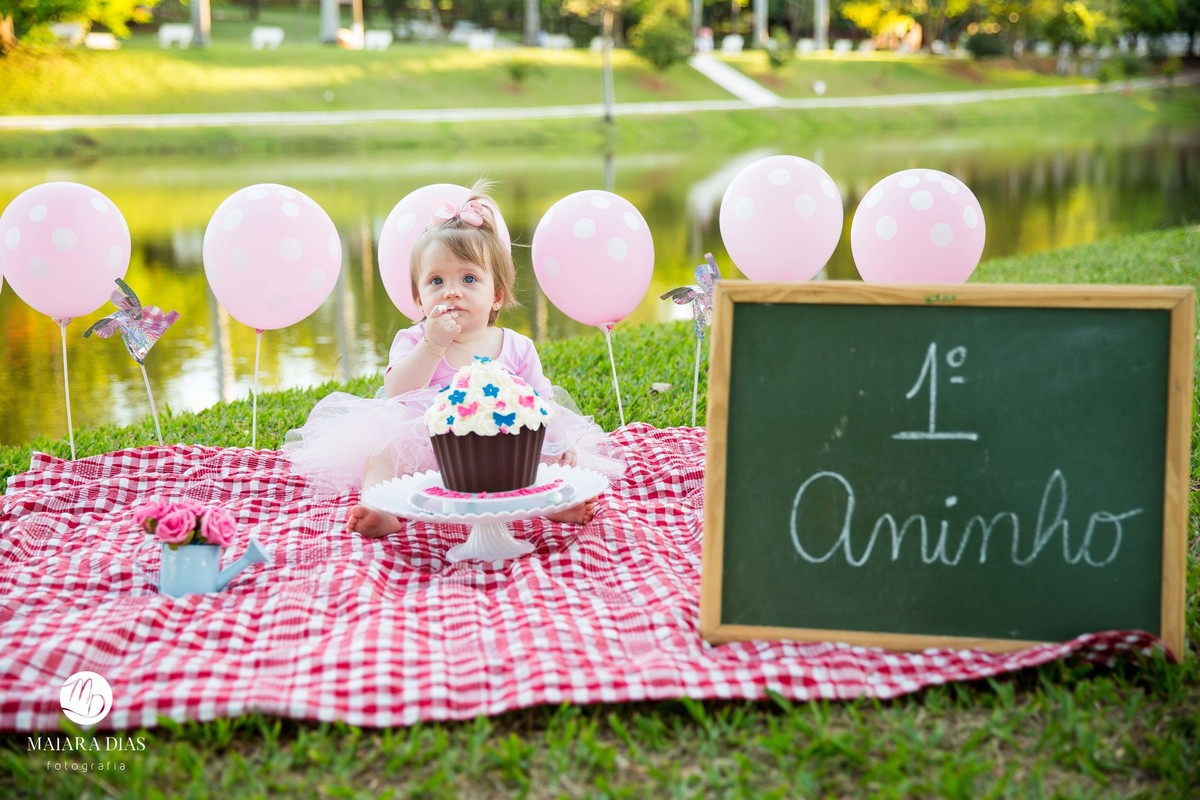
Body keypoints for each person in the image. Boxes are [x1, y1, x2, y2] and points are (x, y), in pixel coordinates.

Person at [283, 182, 624, 538]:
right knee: (382, 455)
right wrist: (433, 344)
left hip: (503, 444)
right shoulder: (415, 339)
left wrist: (559, 443)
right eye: (436, 281)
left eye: (469, 278)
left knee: (552, 458)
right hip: (430, 445)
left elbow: (543, 403)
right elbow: (397, 390)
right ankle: (380, 507)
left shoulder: (517, 346)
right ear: (419, 298)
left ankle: (558, 503)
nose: (452, 290)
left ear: (496, 296)